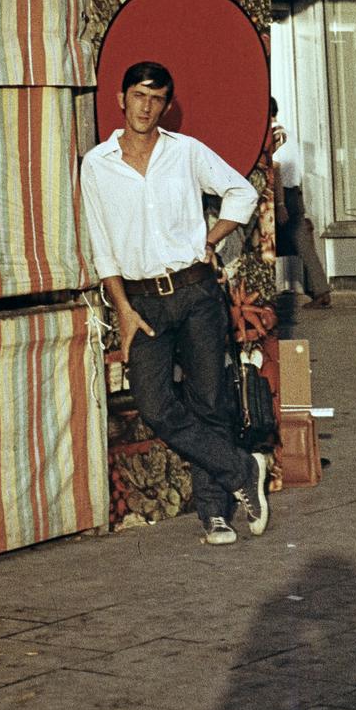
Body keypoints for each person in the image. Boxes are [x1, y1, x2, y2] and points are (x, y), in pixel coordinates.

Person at [80, 61, 269, 547]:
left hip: (195, 292)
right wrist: (121, 308)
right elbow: (103, 246)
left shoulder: (185, 152)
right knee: (155, 403)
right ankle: (241, 468)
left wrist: (214, 235)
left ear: (166, 104)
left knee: (210, 402)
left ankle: (215, 514)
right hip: (142, 302)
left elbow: (241, 192)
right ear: (121, 99)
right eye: (139, 95)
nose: (146, 106)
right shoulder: (97, 164)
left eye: (157, 98)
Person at [270, 97, 331, 309]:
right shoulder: (290, 134)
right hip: (294, 193)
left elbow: (276, 169)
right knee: (303, 246)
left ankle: (318, 291)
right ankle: (320, 290)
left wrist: (278, 204)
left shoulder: (275, 136)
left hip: (282, 196)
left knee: (268, 245)